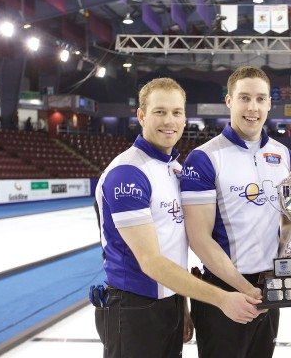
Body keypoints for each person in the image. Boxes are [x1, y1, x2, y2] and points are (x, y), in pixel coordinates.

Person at [94, 77, 261, 358]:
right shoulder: (128, 173)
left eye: (176, 112)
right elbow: (151, 262)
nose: (169, 121)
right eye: (159, 112)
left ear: (185, 119)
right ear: (141, 116)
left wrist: (180, 303)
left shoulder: (173, 169)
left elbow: (173, 248)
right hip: (133, 308)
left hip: (167, 304)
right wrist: (221, 298)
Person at [180, 66, 291, 358]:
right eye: (244, 98)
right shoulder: (204, 158)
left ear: (269, 103)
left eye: (260, 98)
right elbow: (199, 238)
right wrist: (243, 288)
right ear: (229, 101)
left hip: (268, 289)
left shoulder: (283, 154)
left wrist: (288, 264)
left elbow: (287, 220)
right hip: (224, 291)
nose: (252, 107)